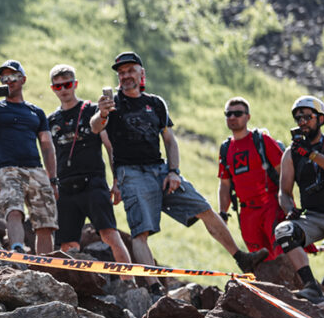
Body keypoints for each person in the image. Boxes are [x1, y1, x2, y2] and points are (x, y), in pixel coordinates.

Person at [91, 51, 267, 291]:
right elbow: (95, 127)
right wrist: (102, 113)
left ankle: (241, 257)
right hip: (131, 173)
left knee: (203, 208)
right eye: (121, 72)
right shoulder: (112, 104)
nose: (126, 75)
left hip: (161, 170)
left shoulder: (156, 103)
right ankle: (154, 288)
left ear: (142, 73)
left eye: (131, 70)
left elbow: (170, 141)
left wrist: (174, 171)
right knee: (141, 232)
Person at [274, 96, 324, 303]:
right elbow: (284, 191)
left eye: (307, 117)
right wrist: (289, 209)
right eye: (298, 118)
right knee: (284, 231)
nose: (302, 122)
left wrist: (312, 155)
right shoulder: (291, 154)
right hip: (312, 218)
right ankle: (311, 287)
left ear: (321, 119)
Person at [46, 63, 131, 262]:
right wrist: (51, 183)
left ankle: (129, 278)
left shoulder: (92, 110)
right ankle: (72, 280)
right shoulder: (51, 120)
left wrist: (117, 181)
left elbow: (110, 148)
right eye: (58, 86)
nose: (63, 90)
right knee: (67, 244)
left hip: (92, 182)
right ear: (52, 89)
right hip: (65, 186)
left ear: (75, 84)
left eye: (67, 84)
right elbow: (49, 154)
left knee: (109, 234)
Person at [0, 60, 57, 253]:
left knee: (45, 221)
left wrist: (53, 178)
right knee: (13, 209)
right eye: (4, 78)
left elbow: (47, 146)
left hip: (36, 169)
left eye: (13, 76)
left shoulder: (36, 112)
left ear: (23, 79)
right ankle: (17, 250)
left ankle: (46, 264)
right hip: (8, 168)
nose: (8, 81)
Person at [217, 97, 285, 261]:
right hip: (247, 213)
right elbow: (224, 185)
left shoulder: (262, 140)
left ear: (248, 117)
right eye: (228, 114)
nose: (232, 117)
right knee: (261, 262)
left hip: (271, 206)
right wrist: (223, 214)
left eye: (238, 113)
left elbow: (284, 171)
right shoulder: (226, 149)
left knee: (284, 256)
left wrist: (287, 202)